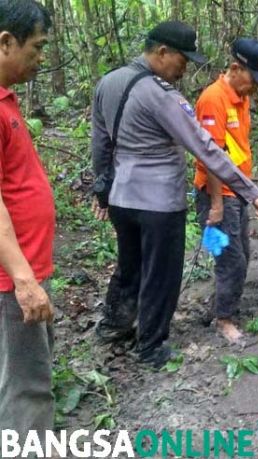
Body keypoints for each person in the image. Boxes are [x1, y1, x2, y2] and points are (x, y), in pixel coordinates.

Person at [91, 21, 258, 368]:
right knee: (161, 274)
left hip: (122, 197)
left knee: (130, 265)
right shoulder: (162, 95)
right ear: (163, 52)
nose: (185, 68)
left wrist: (101, 189)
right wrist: (252, 193)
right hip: (158, 203)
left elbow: (101, 144)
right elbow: (207, 150)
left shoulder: (108, 82)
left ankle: (114, 326)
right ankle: (151, 348)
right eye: (183, 59)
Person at [194, 38, 258, 345]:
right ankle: (223, 319)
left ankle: (223, 305)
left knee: (242, 253)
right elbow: (210, 155)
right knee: (232, 259)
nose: (256, 88)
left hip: (237, 192)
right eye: (253, 80)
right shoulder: (213, 99)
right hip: (217, 195)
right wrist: (216, 204)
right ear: (235, 69)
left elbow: (237, 150)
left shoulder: (240, 98)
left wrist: (250, 193)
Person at [0, 0, 55, 442]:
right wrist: (23, 279)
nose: (40, 58)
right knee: (28, 384)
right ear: (6, 42)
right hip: (11, 279)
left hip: (22, 269)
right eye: (35, 47)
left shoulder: (7, 102)